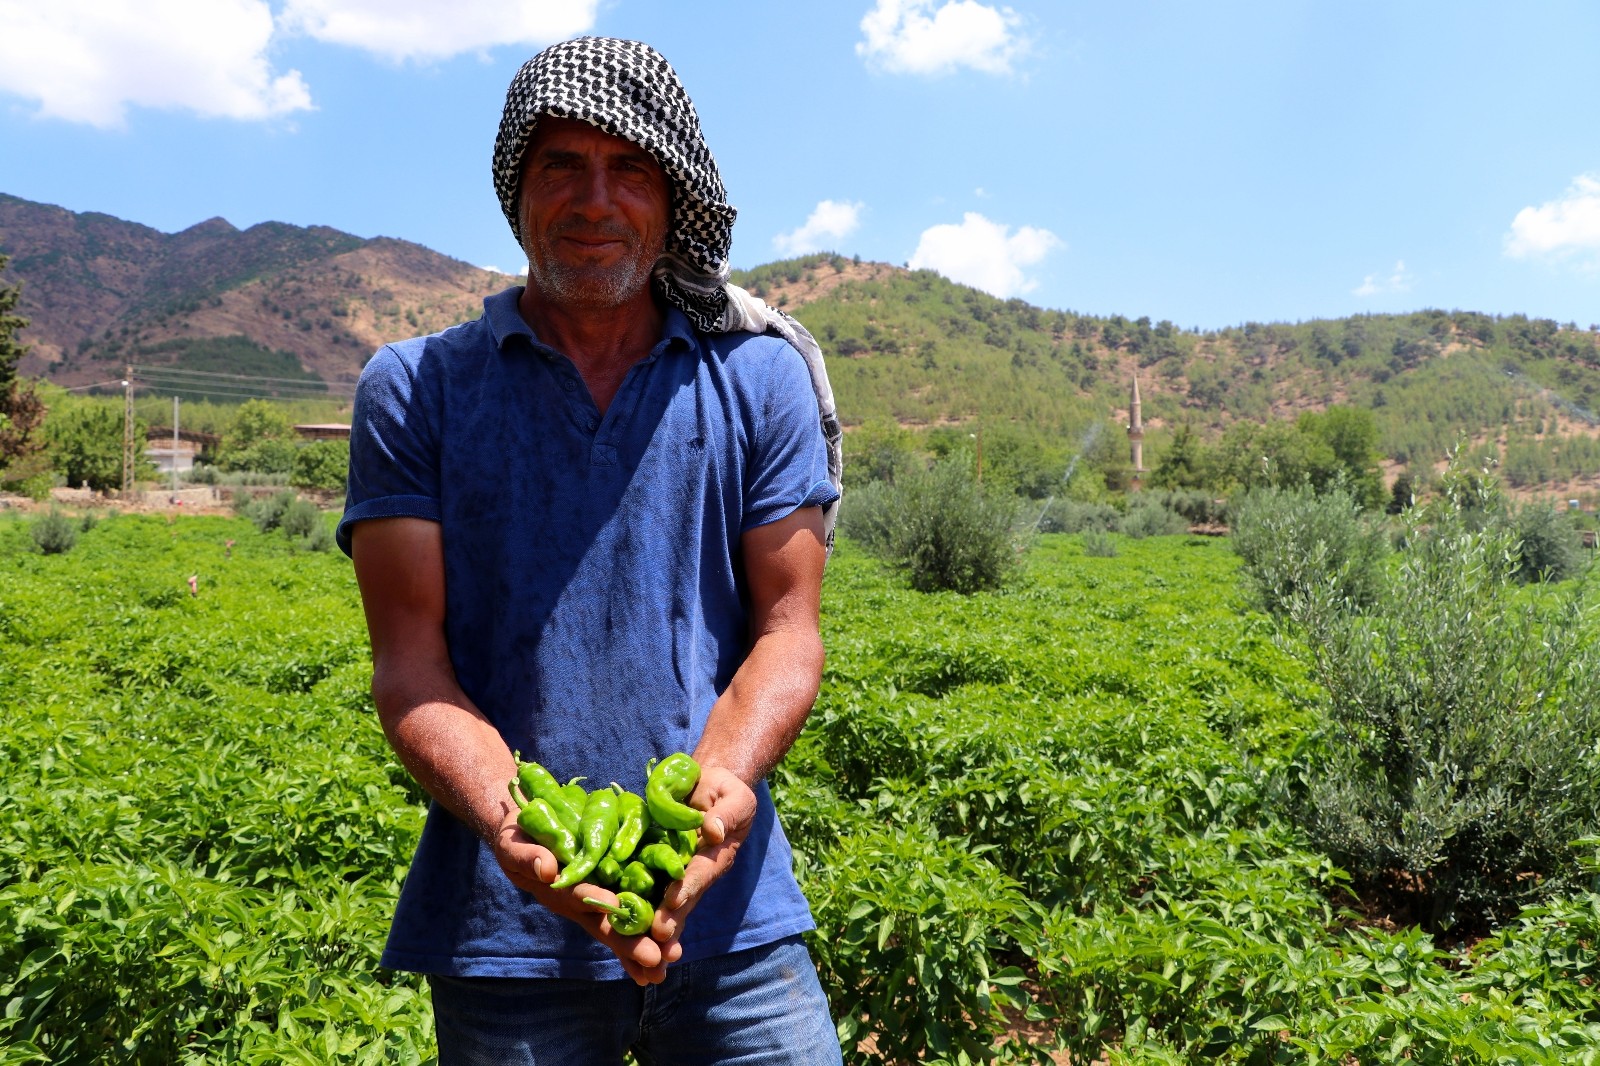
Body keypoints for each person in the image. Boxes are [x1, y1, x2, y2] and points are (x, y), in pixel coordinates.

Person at [338, 36, 844, 1065]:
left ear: (672, 195)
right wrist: (511, 821)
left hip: (733, 919)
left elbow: (789, 634)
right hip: (503, 939)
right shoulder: (417, 389)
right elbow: (410, 666)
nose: (594, 199)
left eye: (630, 168)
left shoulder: (758, 380)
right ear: (515, 192)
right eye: (560, 166)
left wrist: (721, 787)